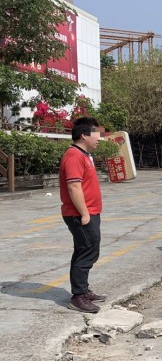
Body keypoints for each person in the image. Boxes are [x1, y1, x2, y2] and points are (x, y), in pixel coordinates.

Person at [60, 117, 106, 313]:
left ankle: (83, 289)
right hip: (80, 214)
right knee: (88, 250)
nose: (99, 138)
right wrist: (84, 213)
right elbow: (73, 186)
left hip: (90, 211)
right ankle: (78, 296)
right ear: (83, 135)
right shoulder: (74, 156)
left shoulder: (84, 155)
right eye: (96, 134)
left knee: (83, 249)